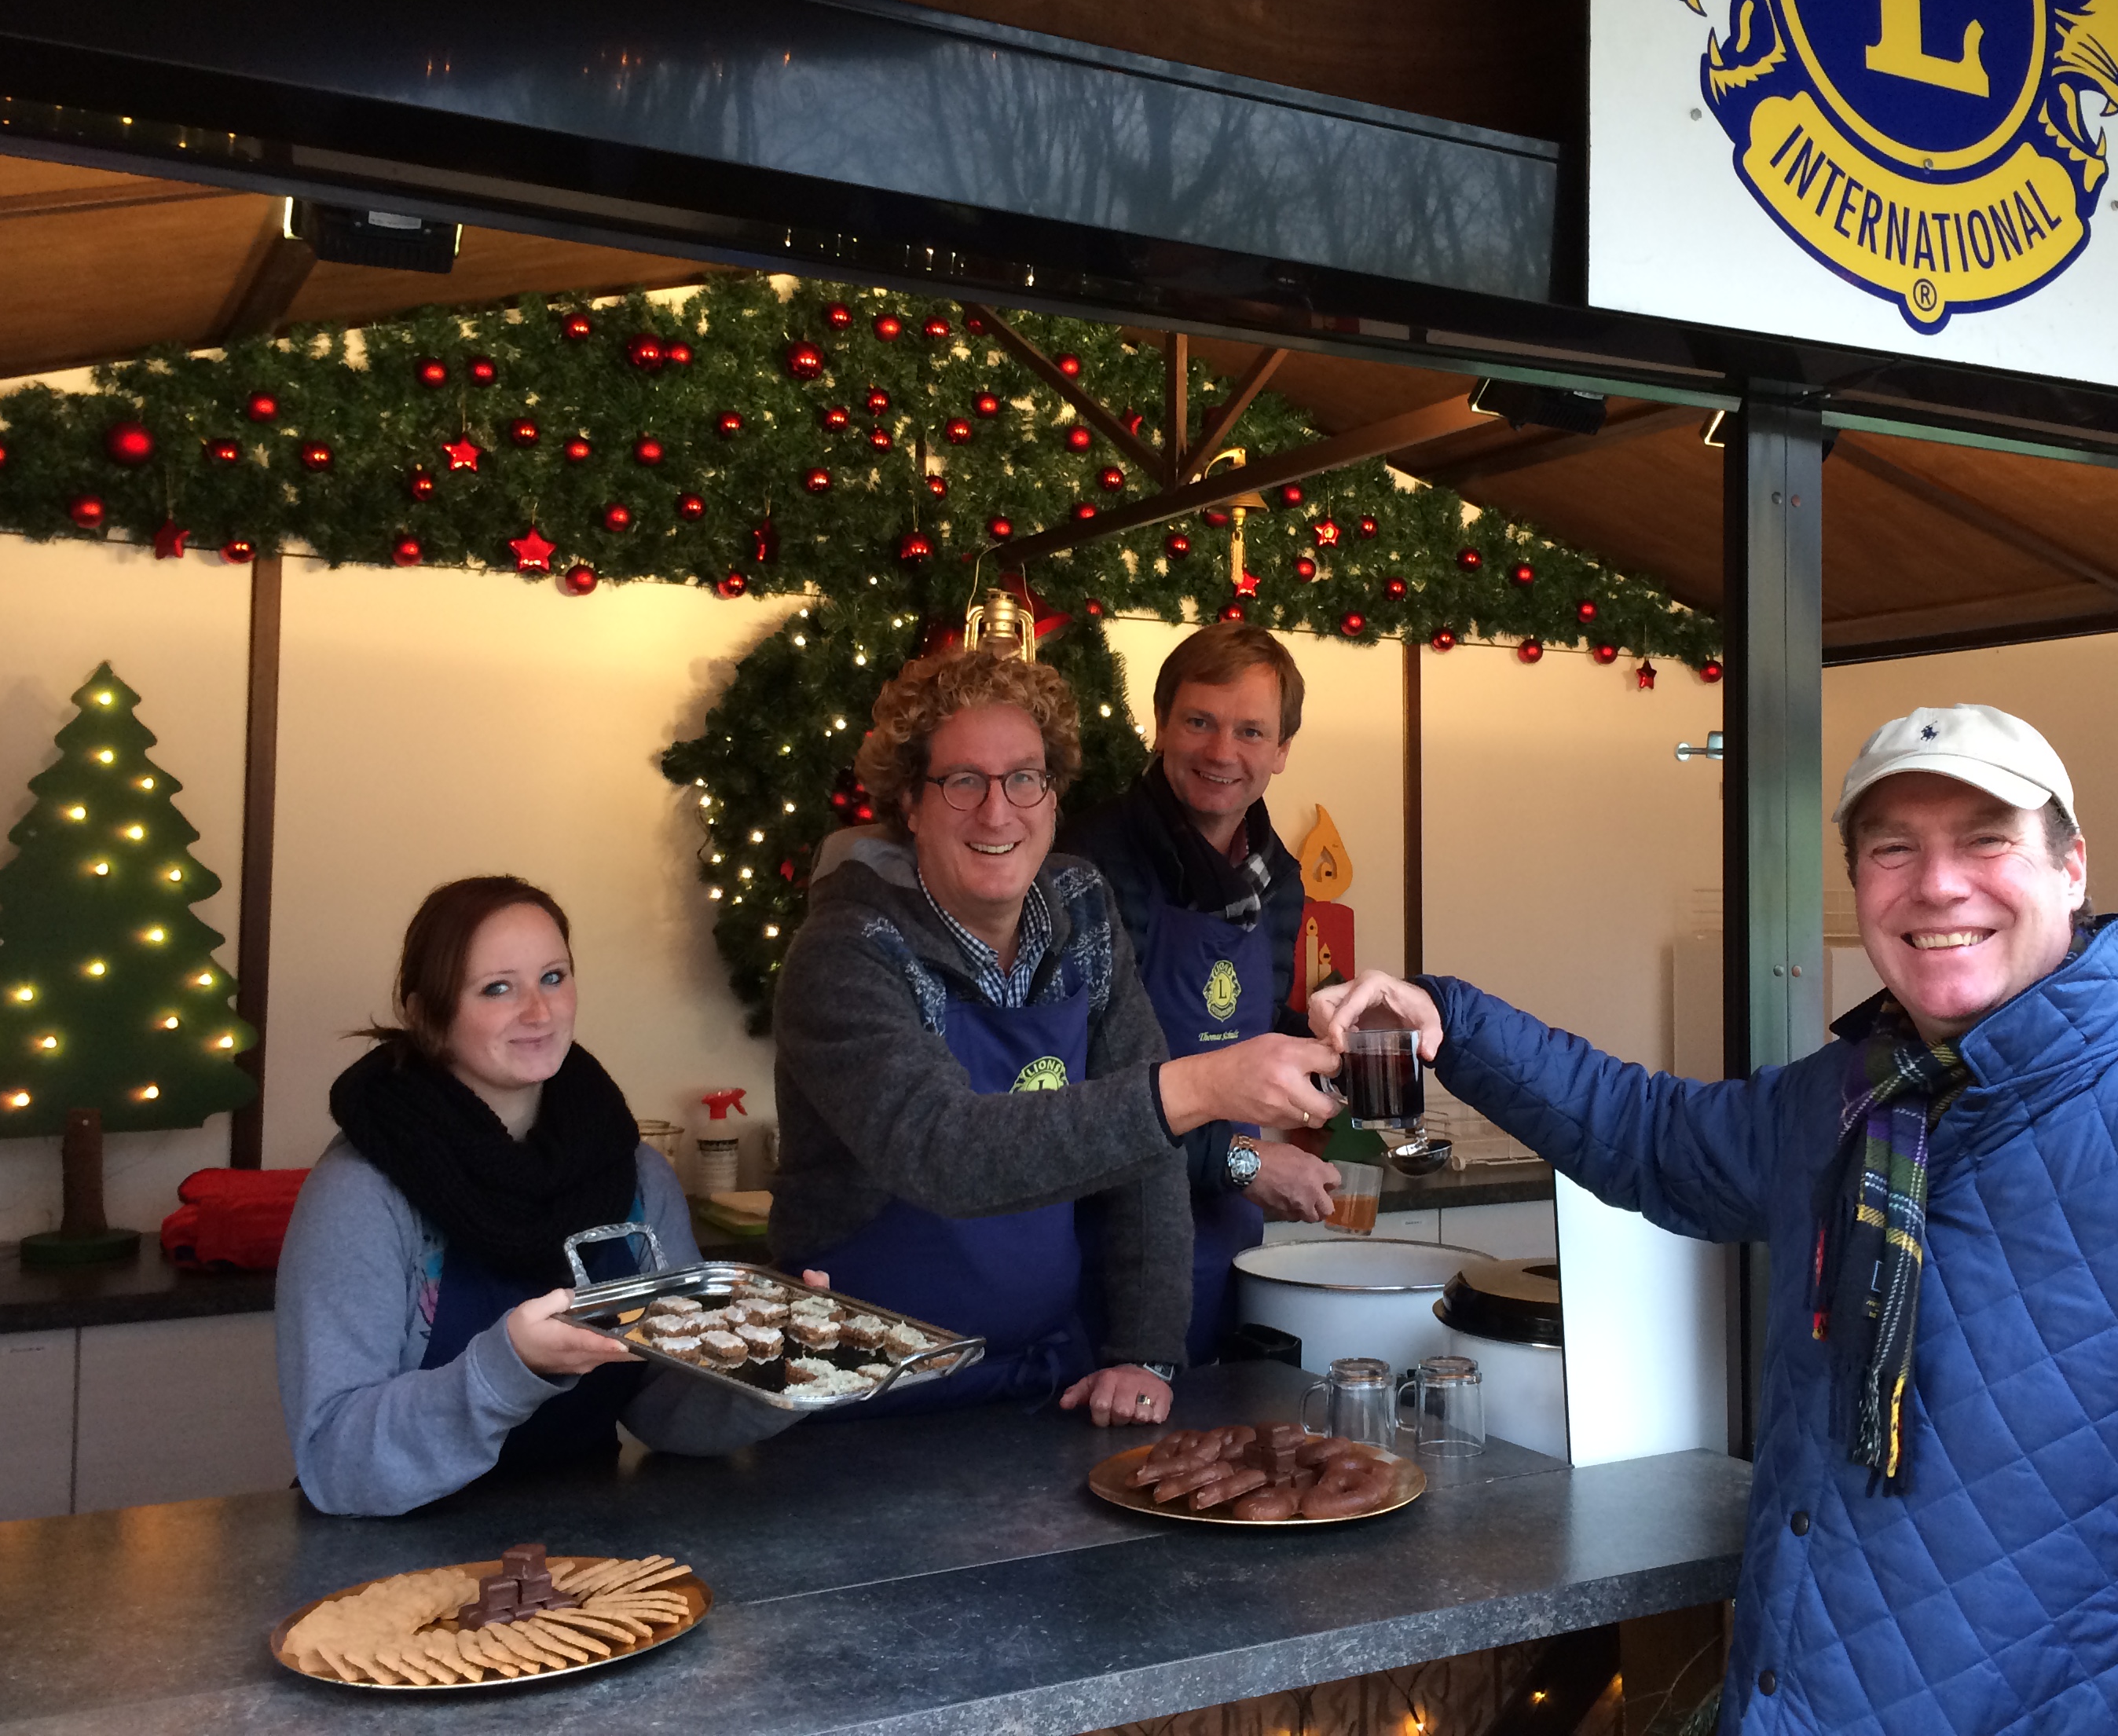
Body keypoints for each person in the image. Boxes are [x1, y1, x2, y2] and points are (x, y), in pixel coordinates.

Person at [1313, 705, 2118, 1732]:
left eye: (1988, 841)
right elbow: (1659, 1142)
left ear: (2073, 869)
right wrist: (1448, 1025)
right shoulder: (1855, 1097)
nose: (1937, 884)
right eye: (1893, 851)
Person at [768, 646, 1338, 1427]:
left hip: (1040, 1386)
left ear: (1052, 790)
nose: (998, 812)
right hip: (866, 1400)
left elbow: (1146, 1158)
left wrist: (1144, 1349)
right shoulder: (848, 951)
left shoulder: (1080, 913)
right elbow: (946, 1152)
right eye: (962, 780)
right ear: (911, 800)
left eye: (1024, 779)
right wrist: (1199, 1087)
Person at [277, 876, 790, 1517]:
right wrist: (506, 1368)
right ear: (425, 1016)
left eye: (553, 977)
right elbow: (335, 1461)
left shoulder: (633, 1175)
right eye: (497, 988)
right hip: (391, 1568)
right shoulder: (361, 1195)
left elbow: (660, 1404)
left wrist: (775, 1373)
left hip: (588, 1552)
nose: (539, 1012)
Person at [1060, 624, 1342, 1362]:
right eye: (1199, 722)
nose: (1222, 753)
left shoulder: (1279, 880)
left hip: (1224, 1251)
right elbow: (1074, 1097)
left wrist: (1334, 1045)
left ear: (1282, 752)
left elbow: (1240, 1025)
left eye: (1251, 731)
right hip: (1096, 1264)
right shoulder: (1087, 869)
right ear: (1161, 725)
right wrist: (1247, 1163)